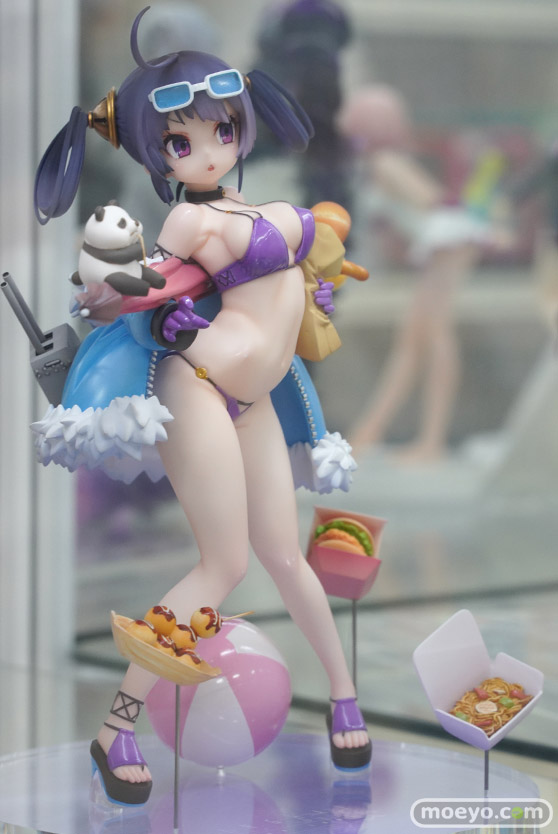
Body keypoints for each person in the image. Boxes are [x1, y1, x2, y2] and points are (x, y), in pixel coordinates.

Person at [33, 8, 371, 806]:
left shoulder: (254, 207)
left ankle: (345, 700)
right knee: (225, 563)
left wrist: (307, 291)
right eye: (181, 143)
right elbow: (149, 281)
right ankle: (117, 731)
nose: (208, 151)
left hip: (254, 399)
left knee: (284, 555)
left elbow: (270, 280)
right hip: (200, 384)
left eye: (221, 130)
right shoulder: (187, 218)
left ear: (242, 123)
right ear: (159, 154)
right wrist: (116, 290)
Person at [339, 86, 501, 464]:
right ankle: (371, 432)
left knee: (434, 334)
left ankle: (430, 441)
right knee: (412, 341)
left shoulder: (384, 163)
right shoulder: (381, 161)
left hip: (446, 243)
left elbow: (434, 201)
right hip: (443, 243)